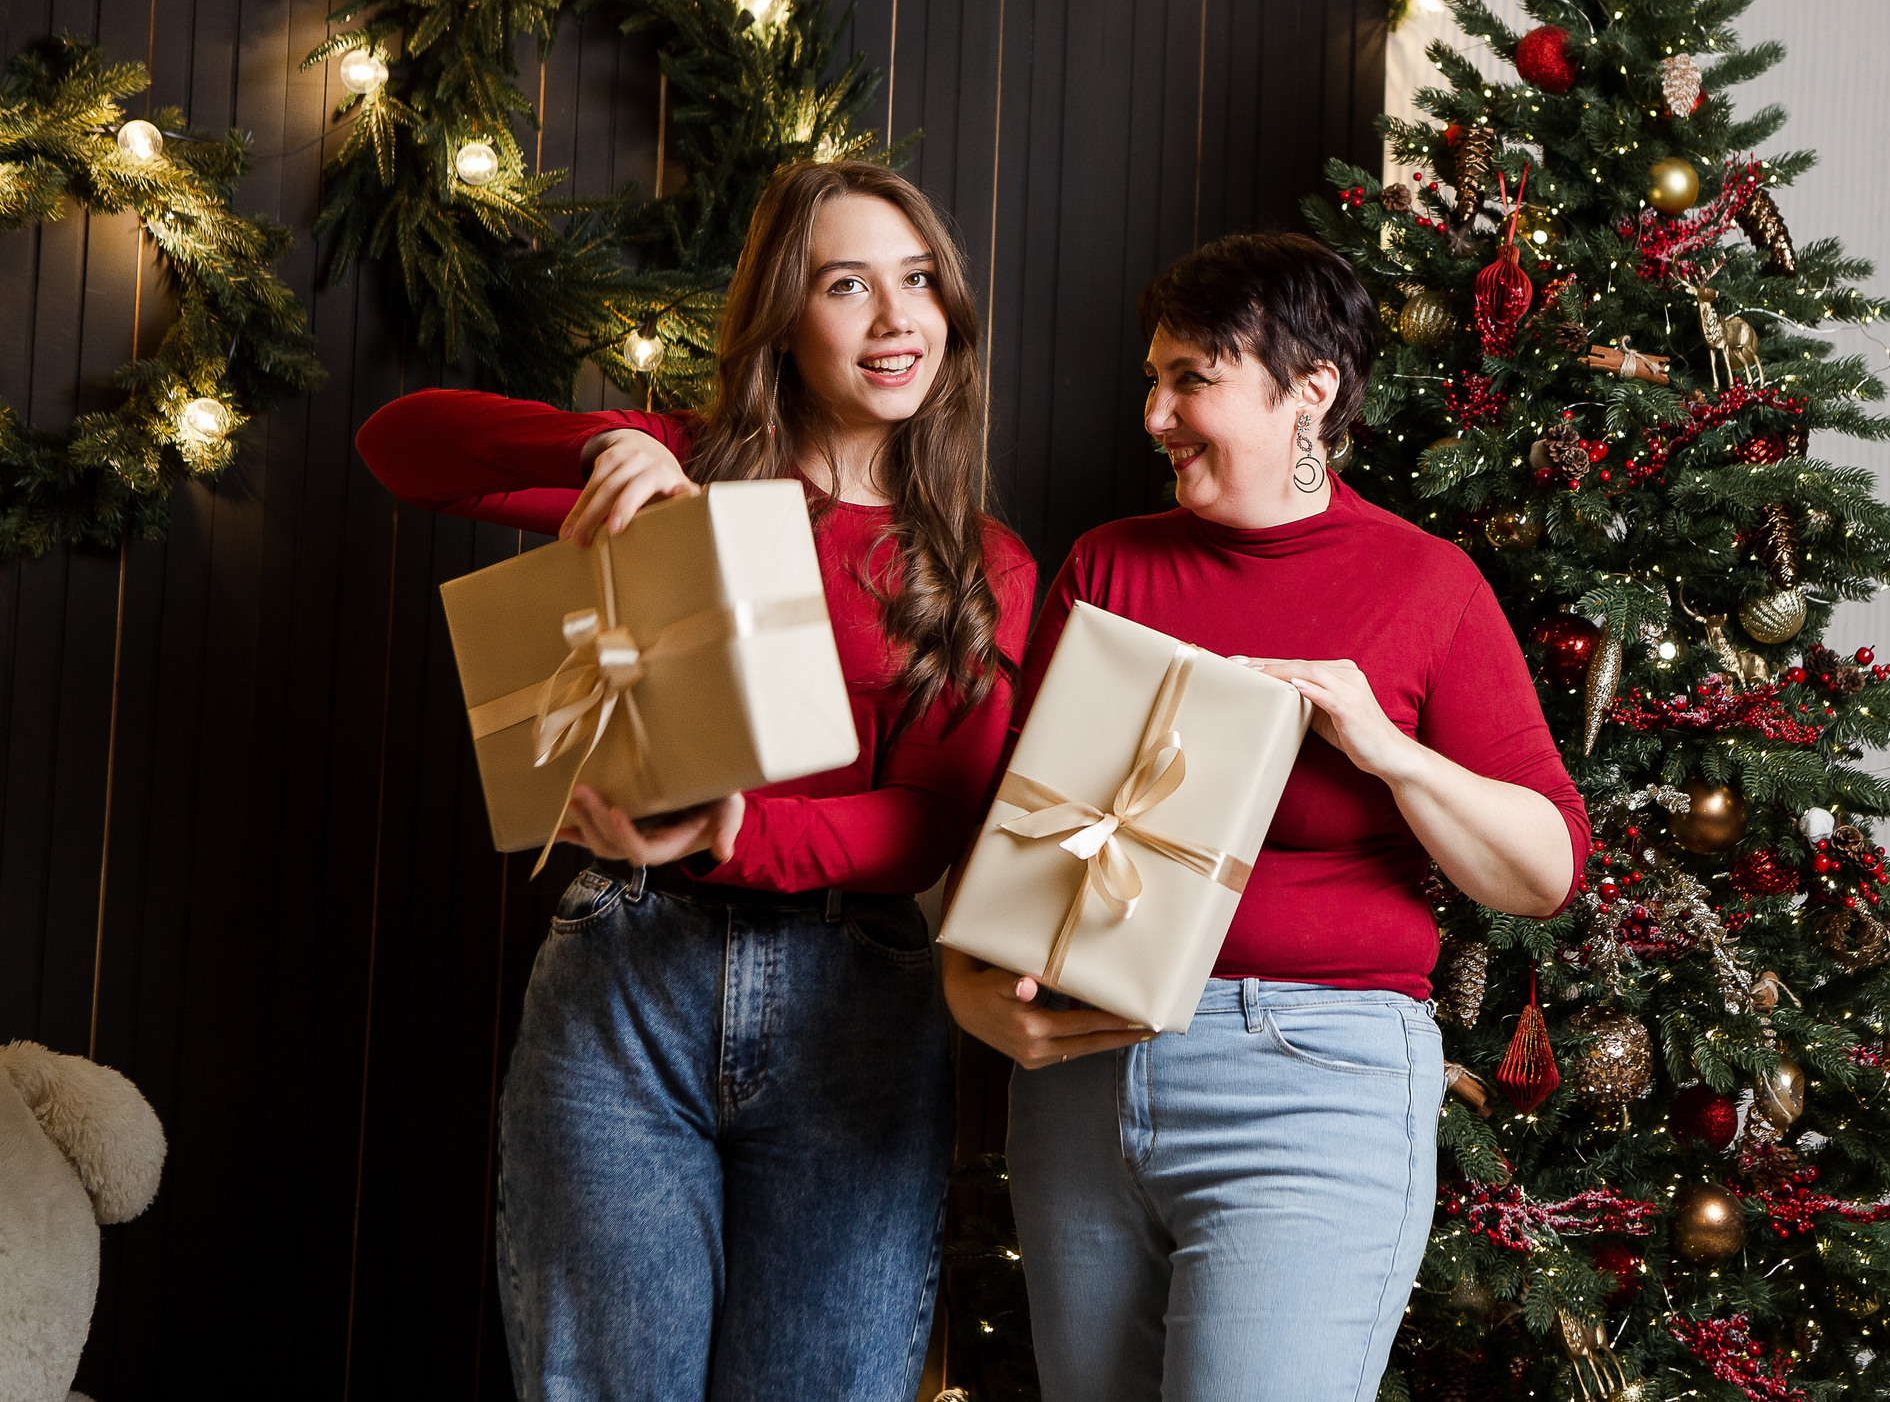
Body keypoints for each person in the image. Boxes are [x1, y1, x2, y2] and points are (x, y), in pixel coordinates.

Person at [357, 160, 1035, 1402]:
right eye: (847, 284)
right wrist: (606, 438)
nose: (897, 319)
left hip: (857, 1016)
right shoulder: (683, 472)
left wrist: (740, 828)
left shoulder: (981, 564)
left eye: (919, 280)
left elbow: (931, 826)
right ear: (784, 316)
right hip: (625, 974)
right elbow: (402, 449)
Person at [942, 232, 1589, 1402]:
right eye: (1153, 377)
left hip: (1311, 1084)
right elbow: (1022, 833)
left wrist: (1389, 755)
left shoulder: (1425, 586)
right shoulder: (1108, 567)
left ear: (1312, 390)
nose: (1155, 413)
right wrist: (976, 985)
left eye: (1193, 379)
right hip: (1085, 1087)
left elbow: (1543, 871)